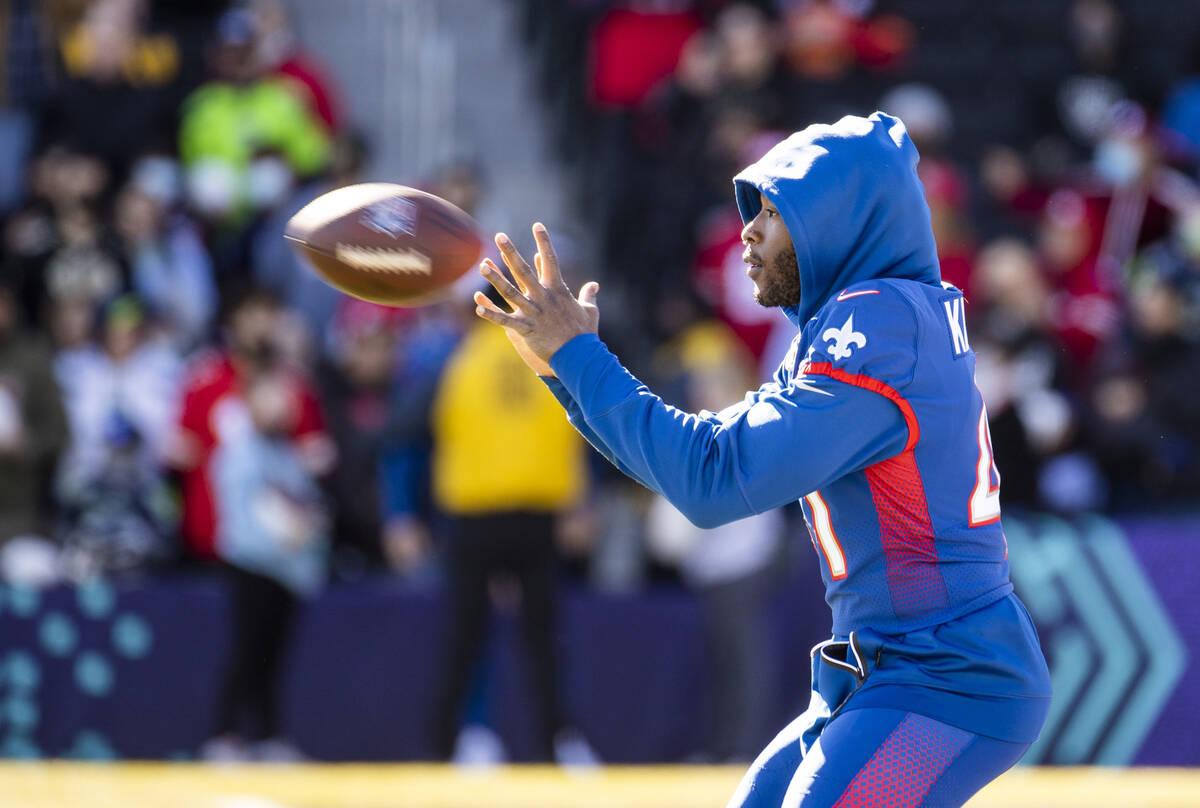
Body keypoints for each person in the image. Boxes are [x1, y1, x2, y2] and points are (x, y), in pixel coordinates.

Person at [473, 113, 1050, 807]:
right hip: (889, 669)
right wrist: (567, 372)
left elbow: (714, 481)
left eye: (776, 213)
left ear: (837, 221)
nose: (747, 230)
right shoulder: (866, 319)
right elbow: (698, 457)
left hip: (948, 680)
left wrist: (580, 360)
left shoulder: (877, 333)